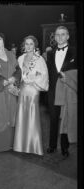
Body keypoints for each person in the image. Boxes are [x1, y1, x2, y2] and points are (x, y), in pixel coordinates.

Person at [13, 35, 49, 155]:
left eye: (31, 44)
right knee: (22, 115)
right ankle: (20, 145)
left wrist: (34, 79)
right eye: (26, 44)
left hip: (33, 90)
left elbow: (44, 75)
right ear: (24, 45)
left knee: (32, 116)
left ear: (35, 46)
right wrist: (16, 85)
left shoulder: (39, 59)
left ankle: (34, 145)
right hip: (22, 90)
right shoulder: (20, 58)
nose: (28, 46)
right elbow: (17, 75)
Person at [46, 26, 77, 158]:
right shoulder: (50, 53)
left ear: (68, 36)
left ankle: (65, 147)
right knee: (53, 119)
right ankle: (52, 146)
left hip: (67, 90)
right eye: (57, 35)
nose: (60, 37)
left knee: (66, 118)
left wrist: (69, 76)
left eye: (63, 34)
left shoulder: (75, 52)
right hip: (52, 91)